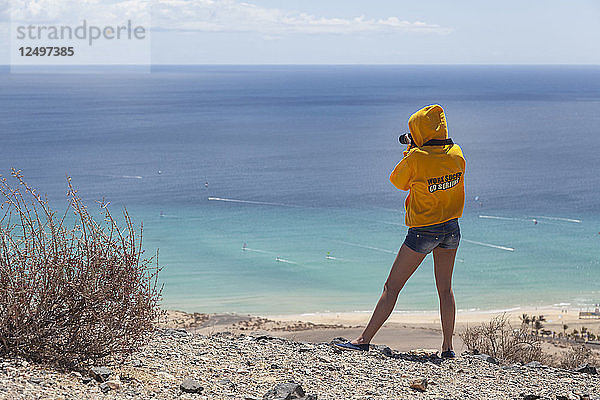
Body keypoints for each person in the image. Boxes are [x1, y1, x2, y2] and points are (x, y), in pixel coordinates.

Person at [336, 105, 466, 358]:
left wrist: (411, 150)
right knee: (445, 289)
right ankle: (448, 347)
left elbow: (397, 181)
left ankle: (363, 340)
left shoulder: (415, 159)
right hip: (451, 227)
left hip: (423, 231)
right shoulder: (457, 153)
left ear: (418, 133)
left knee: (392, 286)